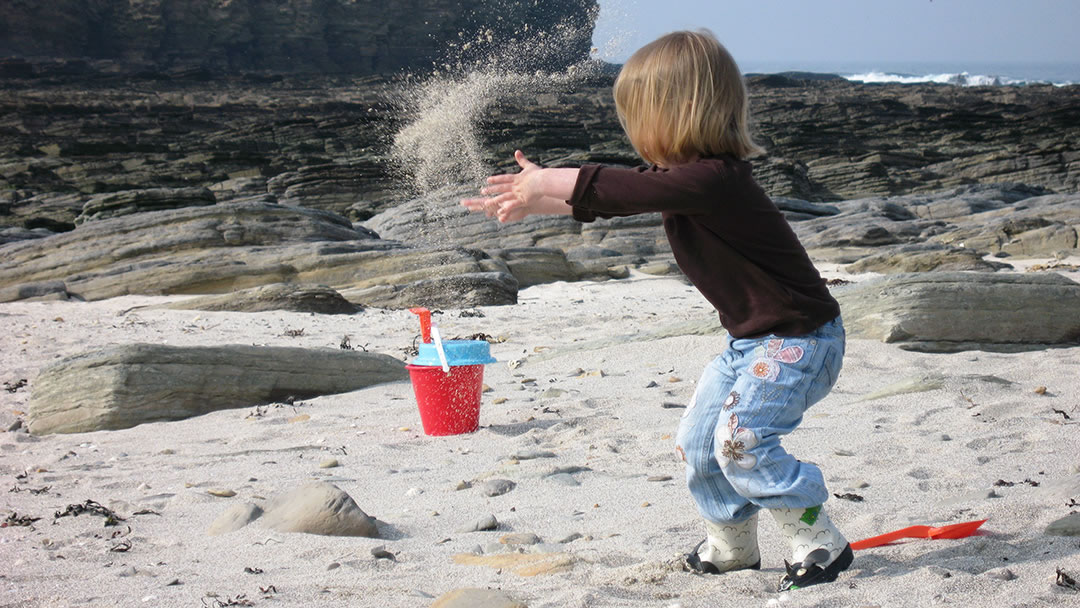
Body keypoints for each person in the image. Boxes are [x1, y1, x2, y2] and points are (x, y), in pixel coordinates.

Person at [461, 29, 852, 591]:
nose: (633, 134)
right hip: (751, 344)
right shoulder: (685, 182)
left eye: (636, 118)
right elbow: (616, 196)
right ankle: (733, 543)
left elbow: (619, 189)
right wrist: (533, 198)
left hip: (801, 340)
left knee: (740, 439)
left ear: (673, 114)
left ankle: (816, 536)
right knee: (698, 441)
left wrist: (548, 179)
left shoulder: (716, 181)